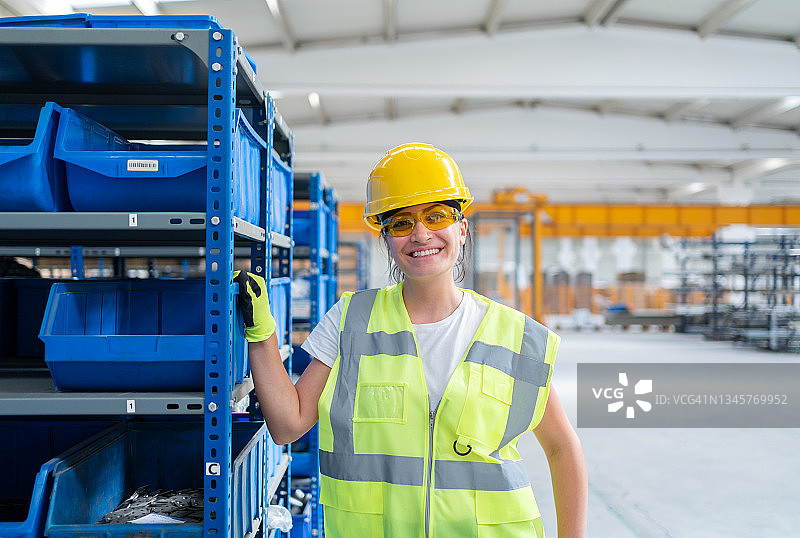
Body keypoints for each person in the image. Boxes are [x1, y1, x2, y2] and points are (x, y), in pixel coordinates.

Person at [237, 143, 587, 537]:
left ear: (461, 228)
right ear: (385, 238)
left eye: (436, 216)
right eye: (401, 223)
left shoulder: (517, 337)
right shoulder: (351, 321)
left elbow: (562, 448)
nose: (421, 234)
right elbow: (288, 425)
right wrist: (262, 336)